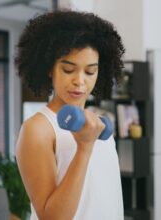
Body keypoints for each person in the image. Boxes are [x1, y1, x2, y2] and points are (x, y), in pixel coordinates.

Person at [15, 10, 125, 220]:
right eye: (68, 69)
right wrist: (84, 149)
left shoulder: (97, 124)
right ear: (50, 69)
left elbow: (105, 198)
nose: (80, 81)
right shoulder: (38, 130)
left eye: (90, 71)